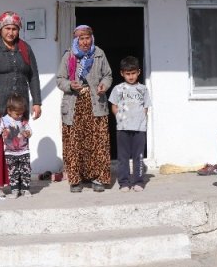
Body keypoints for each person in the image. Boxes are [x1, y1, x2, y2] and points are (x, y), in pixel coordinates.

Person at [0, 11, 42, 199]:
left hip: (19, 108)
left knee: (18, 145)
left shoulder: (25, 49)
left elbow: (34, 76)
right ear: (0, 29)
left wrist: (37, 101)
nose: (11, 32)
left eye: (14, 29)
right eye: (7, 28)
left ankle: (19, 184)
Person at [56, 24, 113, 193]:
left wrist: (104, 85)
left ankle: (98, 178)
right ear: (76, 39)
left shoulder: (99, 54)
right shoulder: (69, 56)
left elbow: (108, 75)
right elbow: (60, 79)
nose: (85, 42)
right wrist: (70, 85)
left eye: (87, 37)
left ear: (92, 38)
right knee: (75, 142)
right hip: (75, 104)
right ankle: (75, 180)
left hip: (95, 103)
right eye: (81, 38)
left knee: (98, 142)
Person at [109, 56, 151, 192]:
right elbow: (114, 106)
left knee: (138, 156)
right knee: (123, 157)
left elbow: (145, 108)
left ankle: (138, 181)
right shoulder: (118, 89)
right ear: (122, 73)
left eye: (133, 73)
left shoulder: (143, 89)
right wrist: (120, 118)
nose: (131, 76)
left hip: (139, 128)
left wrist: (139, 120)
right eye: (128, 74)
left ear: (139, 72)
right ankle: (124, 182)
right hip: (123, 128)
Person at [0, 94, 33, 199]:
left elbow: (29, 130)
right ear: (9, 111)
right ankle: (14, 190)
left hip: (24, 151)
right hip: (10, 152)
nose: (19, 116)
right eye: (17, 113)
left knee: (25, 171)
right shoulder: (3, 121)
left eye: (21, 113)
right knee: (13, 172)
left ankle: (25, 190)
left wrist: (28, 133)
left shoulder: (23, 121)